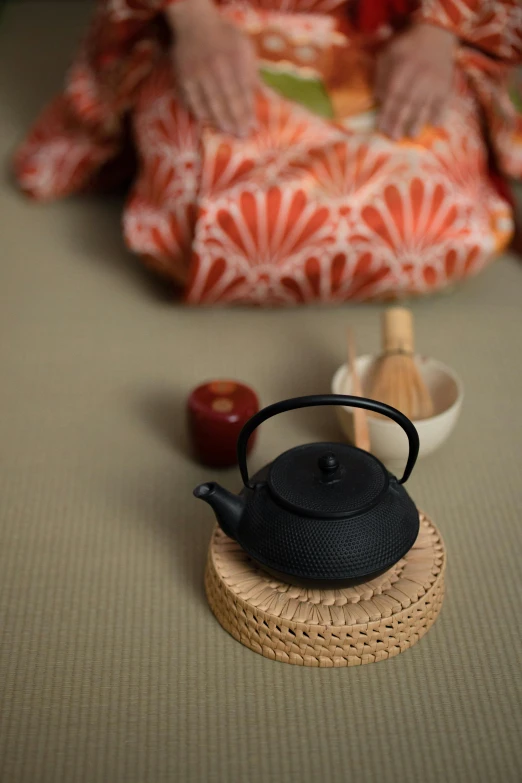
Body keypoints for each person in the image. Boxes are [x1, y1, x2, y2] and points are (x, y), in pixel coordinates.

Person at [14, 0, 522, 305]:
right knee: (194, 207)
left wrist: (441, 30)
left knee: (439, 212)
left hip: (394, 25)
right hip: (221, 19)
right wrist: (190, 21)